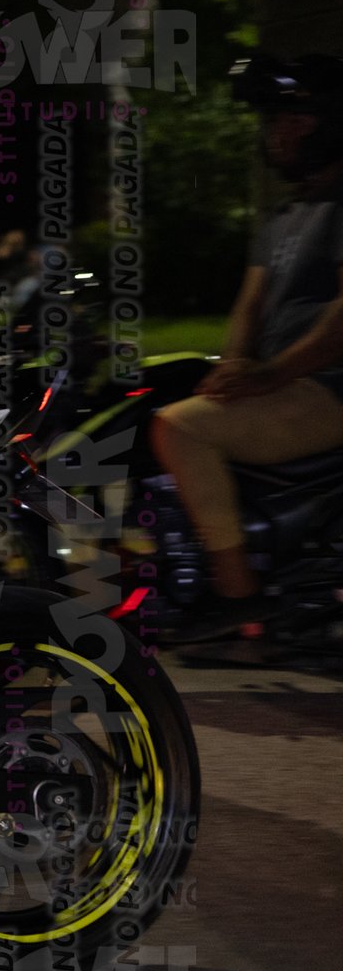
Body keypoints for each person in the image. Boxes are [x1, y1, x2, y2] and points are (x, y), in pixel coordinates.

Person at [151, 53, 343, 642]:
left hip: (330, 387)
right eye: (272, 121)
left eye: (293, 119)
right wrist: (233, 366)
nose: (276, 133)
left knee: (181, 429)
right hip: (288, 383)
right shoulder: (285, 215)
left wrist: (266, 375)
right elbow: (250, 304)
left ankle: (239, 603)